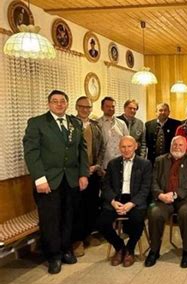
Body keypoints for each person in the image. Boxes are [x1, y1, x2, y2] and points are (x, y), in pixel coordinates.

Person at [23, 90, 89, 274]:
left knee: (69, 217)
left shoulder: (75, 122)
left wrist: (83, 174)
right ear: (49, 104)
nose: (59, 104)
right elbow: (31, 153)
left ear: (67, 104)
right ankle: (53, 256)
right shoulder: (37, 123)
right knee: (50, 219)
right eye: (55, 101)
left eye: (62, 101)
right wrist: (39, 178)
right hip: (48, 181)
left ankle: (66, 249)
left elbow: (81, 150)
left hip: (71, 179)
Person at [146, 136, 187, 268]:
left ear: (186, 147)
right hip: (164, 199)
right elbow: (153, 181)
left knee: (185, 213)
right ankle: (154, 251)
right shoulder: (160, 160)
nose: (177, 147)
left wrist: (176, 194)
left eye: (181, 145)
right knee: (154, 213)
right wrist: (160, 195)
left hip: (185, 199)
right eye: (175, 144)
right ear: (170, 146)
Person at [97, 136, 151, 267]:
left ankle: (130, 249)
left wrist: (131, 204)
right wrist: (113, 201)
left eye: (129, 146)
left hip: (134, 201)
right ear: (119, 148)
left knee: (137, 220)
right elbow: (106, 186)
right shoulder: (112, 164)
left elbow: (145, 189)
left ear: (135, 147)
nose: (126, 150)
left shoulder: (145, 164)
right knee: (101, 222)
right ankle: (120, 247)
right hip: (116, 200)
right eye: (123, 147)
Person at [71, 96, 104, 257]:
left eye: (88, 107)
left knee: (91, 205)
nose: (85, 109)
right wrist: (81, 170)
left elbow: (102, 147)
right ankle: (77, 240)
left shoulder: (95, 126)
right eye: (82, 106)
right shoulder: (70, 125)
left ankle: (88, 234)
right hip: (76, 174)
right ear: (76, 107)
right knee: (77, 207)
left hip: (93, 171)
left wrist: (96, 165)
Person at [97, 97, 129, 170]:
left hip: (122, 163)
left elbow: (127, 142)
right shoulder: (97, 124)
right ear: (102, 108)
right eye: (108, 106)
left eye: (113, 106)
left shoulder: (122, 123)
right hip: (105, 165)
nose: (111, 108)